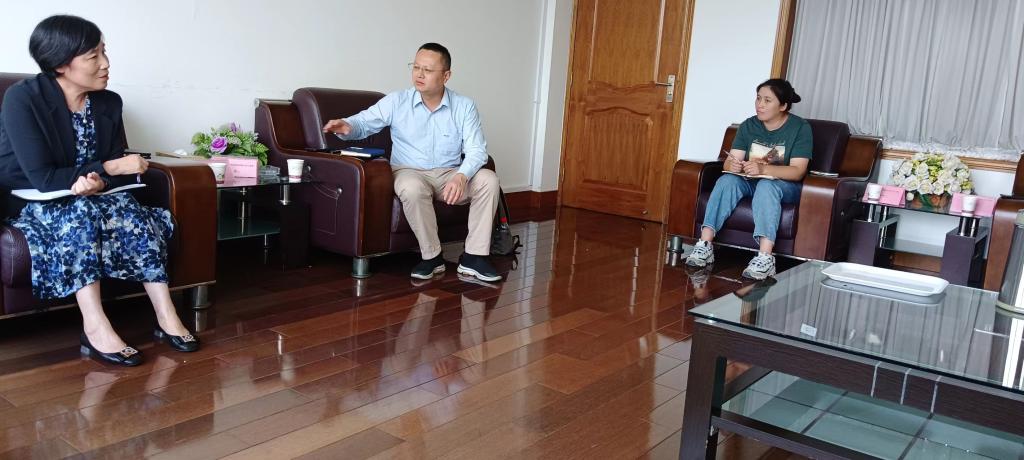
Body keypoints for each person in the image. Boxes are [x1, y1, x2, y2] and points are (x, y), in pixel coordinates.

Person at [0, 15, 199, 366]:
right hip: (35, 201)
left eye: (104, 52)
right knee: (79, 213)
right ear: (61, 63)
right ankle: (95, 328)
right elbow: (43, 177)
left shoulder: (108, 103)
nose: (106, 63)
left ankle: (166, 315)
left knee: (131, 211)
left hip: (92, 196)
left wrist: (101, 181)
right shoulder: (23, 99)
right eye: (94, 56)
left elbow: (111, 172)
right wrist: (110, 168)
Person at [323, 43, 502, 282]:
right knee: (411, 187)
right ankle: (432, 257)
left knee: (488, 179)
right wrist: (347, 126)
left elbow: (477, 150)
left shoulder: (464, 106)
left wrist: (462, 175)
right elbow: (363, 122)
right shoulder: (397, 101)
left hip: (449, 174)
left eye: (427, 70)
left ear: (446, 76)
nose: (419, 74)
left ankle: (474, 258)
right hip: (409, 171)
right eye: (416, 67)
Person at [685, 78, 813, 280]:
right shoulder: (748, 125)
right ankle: (705, 245)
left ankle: (765, 258)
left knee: (766, 185)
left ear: (783, 106)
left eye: (767, 100)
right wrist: (733, 165)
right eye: (758, 98)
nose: (760, 104)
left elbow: (798, 171)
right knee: (727, 180)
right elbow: (729, 162)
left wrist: (763, 168)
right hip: (750, 181)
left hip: (784, 186)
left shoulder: (799, 128)